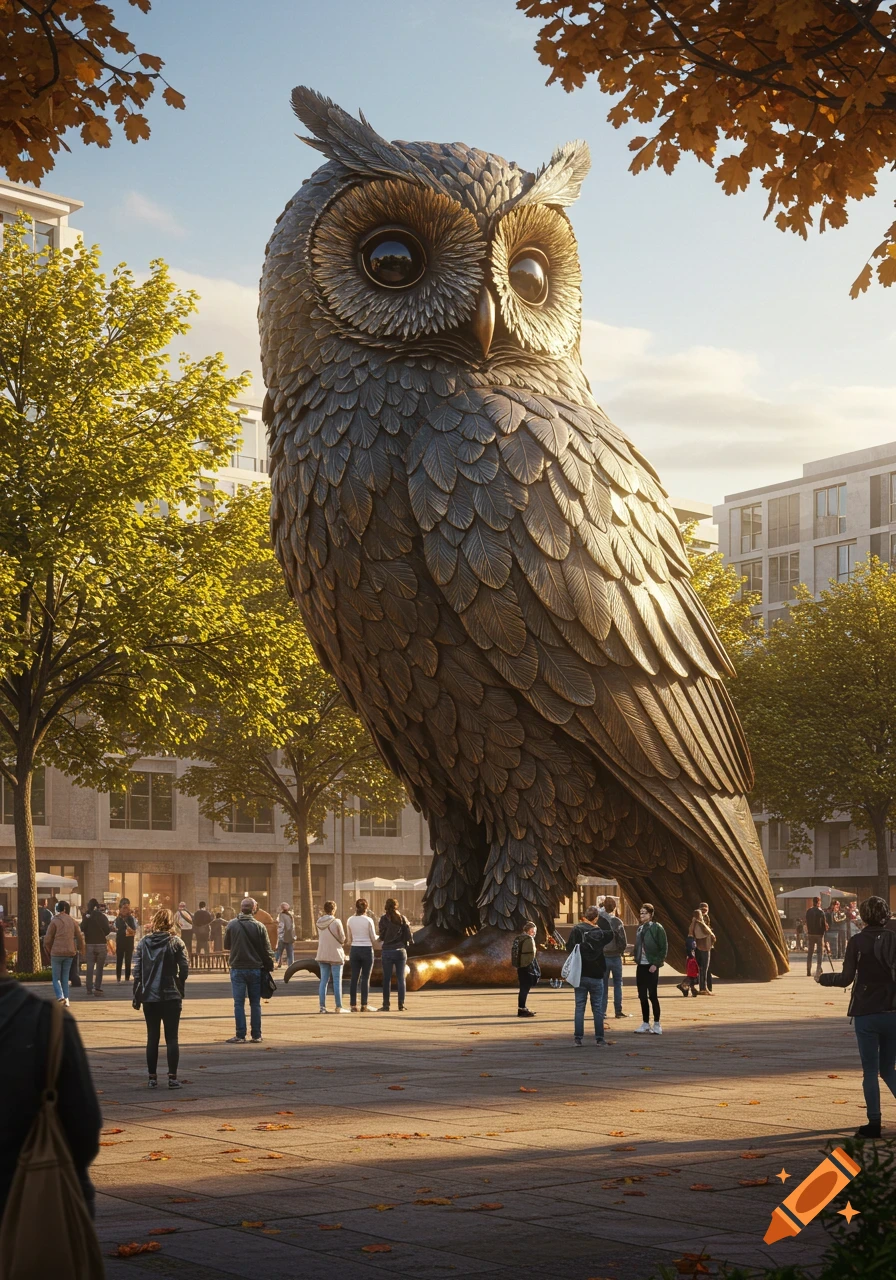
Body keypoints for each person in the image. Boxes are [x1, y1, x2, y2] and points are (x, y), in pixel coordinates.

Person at [0, 921, 102, 1221]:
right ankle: (64, 993)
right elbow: (83, 1129)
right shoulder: (50, 1025)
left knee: (58, 976)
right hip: (34, 1209)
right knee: (62, 978)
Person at [815, 896, 896, 1139]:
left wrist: (823, 978)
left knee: (870, 1070)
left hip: (867, 1013)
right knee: (889, 1069)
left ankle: (873, 1123)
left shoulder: (858, 941)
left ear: (864, 915)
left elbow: (846, 978)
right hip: (893, 1011)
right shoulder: (895, 938)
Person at [133, 908, 189, 1089]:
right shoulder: (176, 942)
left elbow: (137, 971)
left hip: (150, 996)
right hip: (171, 995)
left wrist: (138, 991)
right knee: (172, 1038)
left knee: (152, 1037)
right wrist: (178, 983)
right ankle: (172, 1078)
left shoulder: (144, 942)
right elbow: (184, 968)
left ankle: (152, 1078)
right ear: (171, 922)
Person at [224, 897, 275, 1042]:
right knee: (255, 1003)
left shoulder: (232, 925)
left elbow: (227, 945)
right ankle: (257, 1035)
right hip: (255, 969)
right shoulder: (260, 926)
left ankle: (240, 1035)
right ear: (254, 909)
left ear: (241, 908)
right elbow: (267, 948)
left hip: (238, 968)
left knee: (238, 1003)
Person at [566, 905, 612, 1046]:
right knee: (597, 1007)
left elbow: (569, 947)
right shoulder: (599, 932)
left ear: (584, 916)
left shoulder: (577, 930)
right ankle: (599, 1038)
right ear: (596, 918)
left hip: (580, 973)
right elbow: (611, 933)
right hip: (597, 974)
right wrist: (602, 920)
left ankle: (578, 1038)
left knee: (579, 1006)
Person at [634, 903, 667, 1034]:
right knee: (642, 995)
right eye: (641, 913)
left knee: (652, 995)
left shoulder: (657, 928)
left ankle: (657, 1023)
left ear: (651, 914)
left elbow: (663, 948)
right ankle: (645, 1022)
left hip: (651, 965)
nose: (642, 915)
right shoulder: (640, 928)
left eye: (645, 913)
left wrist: (656, 963)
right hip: (641, 965)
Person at [44, 901, 84, 1006]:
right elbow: (79, 936)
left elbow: (47, 939)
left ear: (58, 909)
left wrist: (48, 949)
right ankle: (66, 999)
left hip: (56, 953)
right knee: (65, 978)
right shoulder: (73, 921)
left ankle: (60, 996)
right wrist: (82, 948)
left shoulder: (54, 921)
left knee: (56, 978)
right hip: (70, 952)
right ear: (66, 909)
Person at [378, 897, 412, 1012]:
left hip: (387, 951)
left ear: (386, 907)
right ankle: (401, 1005)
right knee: (401, 978)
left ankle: (386, 1005)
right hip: (400, 951)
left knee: (386, 979)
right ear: (396, 906)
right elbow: (408, 936)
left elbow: (382, 936)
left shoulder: (383, 919)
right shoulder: (403, 918)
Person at [598, 896, 629, 1019]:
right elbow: (623, 941)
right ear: (614, 907)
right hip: (615, 957)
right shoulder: (617, 922)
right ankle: (618, 1010)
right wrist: (619, 951)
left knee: (603, 985)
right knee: (618, 984)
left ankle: (602, 1011)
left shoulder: (599, 921)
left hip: (603, 957)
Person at [315, 900, 347, 1013]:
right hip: (335, 954)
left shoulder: (319, 922)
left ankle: (322, 1007)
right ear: (333, 909)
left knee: (323, 981)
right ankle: (339, 1006)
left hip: (322, 953)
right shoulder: (336, 922)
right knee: (337, 981)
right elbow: (342, 938)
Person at [347, 898, 378, 1011]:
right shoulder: (369, 920)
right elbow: (374, 938)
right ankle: (364, 1005)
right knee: (365, 978)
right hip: (367, 949)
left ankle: (353, 1005)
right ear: (367, 908)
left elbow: (349, 939)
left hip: (354, 949)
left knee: (354, 977)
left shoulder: (350, 920)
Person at [80, 898, 112, 997]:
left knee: (90, 967)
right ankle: (97, 987)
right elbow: (107, 930)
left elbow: (82, 928)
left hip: (89, 944)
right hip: (101, 944)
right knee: (99, 968)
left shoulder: (86, 916)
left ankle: (89, 989)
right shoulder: (102, 917)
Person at [512, 921, 540, 1017]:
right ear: (529, 931)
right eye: (533, 931)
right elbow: (531, 955)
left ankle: (522, 1007)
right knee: (525, 988)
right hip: (527, 967)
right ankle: (522, 1009)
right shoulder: (529, 939)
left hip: (520, 966)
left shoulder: (518, 938)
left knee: (523, 988)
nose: (534, 933)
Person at [689, 907, 716, 995]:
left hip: (700, 947)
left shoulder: (694, 923)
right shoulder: (699, 923)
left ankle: (703, 987)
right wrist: (712, 934)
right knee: (704, 968)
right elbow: (706, 933)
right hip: (704, 947)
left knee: (701, 968)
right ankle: (703, 988)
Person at [114, 898, 139, 982]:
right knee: (119, 960)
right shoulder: (118, 919)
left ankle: (127, 977)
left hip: (129, 941)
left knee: (128, 960)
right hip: (120, 941)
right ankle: (118, 977)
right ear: (120, 909)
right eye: (123, 908)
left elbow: (134, 928)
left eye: (126, 908)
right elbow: (118, 927)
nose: (125, 910)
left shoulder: (131, 918)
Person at [805, 896, 828, 976]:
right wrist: (825, 929)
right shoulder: (821, 912)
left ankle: (808, 969)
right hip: (819, 934)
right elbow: (824, 924)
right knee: (819, 952)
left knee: (810, 952)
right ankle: (818, 968)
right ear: (819, 902)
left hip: (811, 933)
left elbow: (807, 922)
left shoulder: (808, 911)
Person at [275, 902, 296, 969]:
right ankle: (291, 965)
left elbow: (281, 925)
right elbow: (293, 927)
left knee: (279, 951)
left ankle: (276, 963)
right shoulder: (291, 915)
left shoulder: (281, 915)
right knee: (290, 952)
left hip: (283, 936)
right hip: (290, 936)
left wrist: (279, 934)